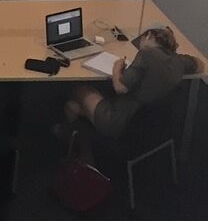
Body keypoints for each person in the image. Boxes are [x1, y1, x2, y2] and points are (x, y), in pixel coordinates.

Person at [60, 26, 202, 157]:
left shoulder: (146, 54)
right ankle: (77, 135)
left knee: (80, 90)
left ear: (148, 36)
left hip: (121, 120)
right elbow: (199, 65)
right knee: (73, 106)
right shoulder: (179, 61)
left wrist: (117, 68)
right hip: (154, 125)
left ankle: (76, 150)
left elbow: (120, 88)